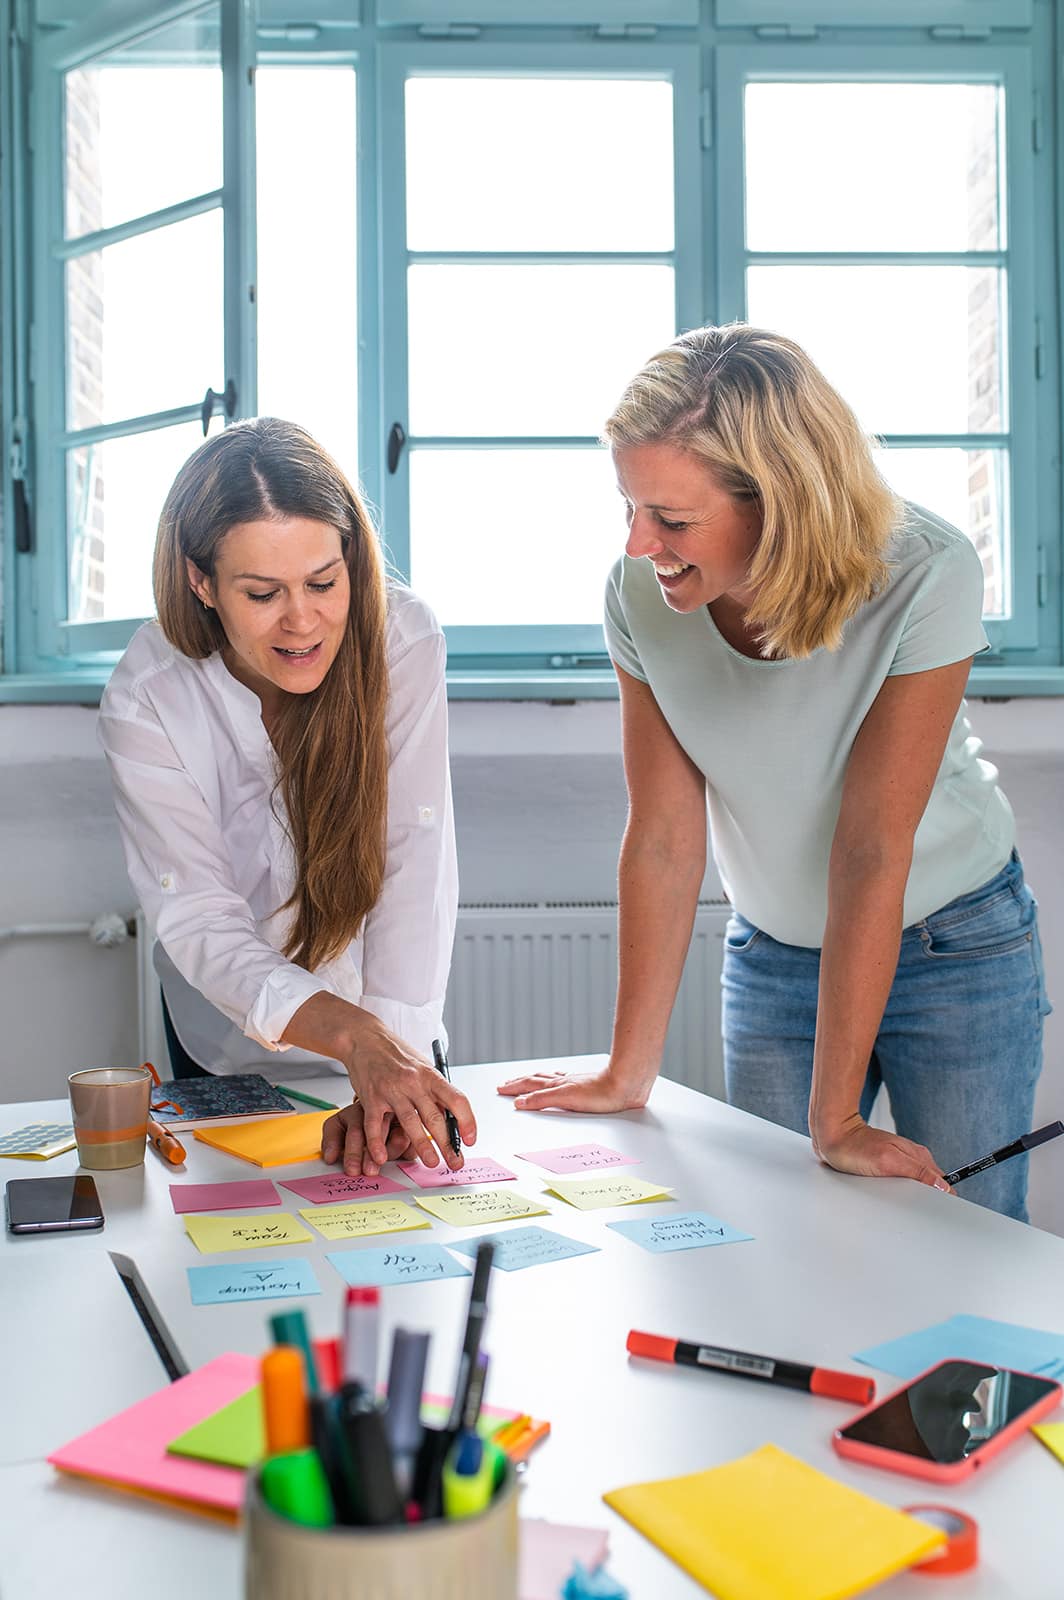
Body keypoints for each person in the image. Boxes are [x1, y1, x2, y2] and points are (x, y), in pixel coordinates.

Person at [499, 324, 1050, 1220]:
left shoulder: (925, 570)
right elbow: (666, 839)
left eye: (673, 519)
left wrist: (834, 1118)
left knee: (970, 1247)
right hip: (774, 955)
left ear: (779, 500)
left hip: (954, 947)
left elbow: (872, 847)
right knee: (772, 1241)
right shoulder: (639, 594)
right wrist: (625, 1073)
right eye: (628, 507)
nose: (640, 543)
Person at [99, 417, 474, 1178]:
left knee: (396, 1243)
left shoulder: (403, 638)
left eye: (323, 583)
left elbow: (414, 857)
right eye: (263, 593)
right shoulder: (148, 697)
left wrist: (388, 1058)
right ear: (201, 583)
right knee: (241, 1251)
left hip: (391, 1027)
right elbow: (200, 916)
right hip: (230, 1044)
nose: (301, 621)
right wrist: (353, 1038)